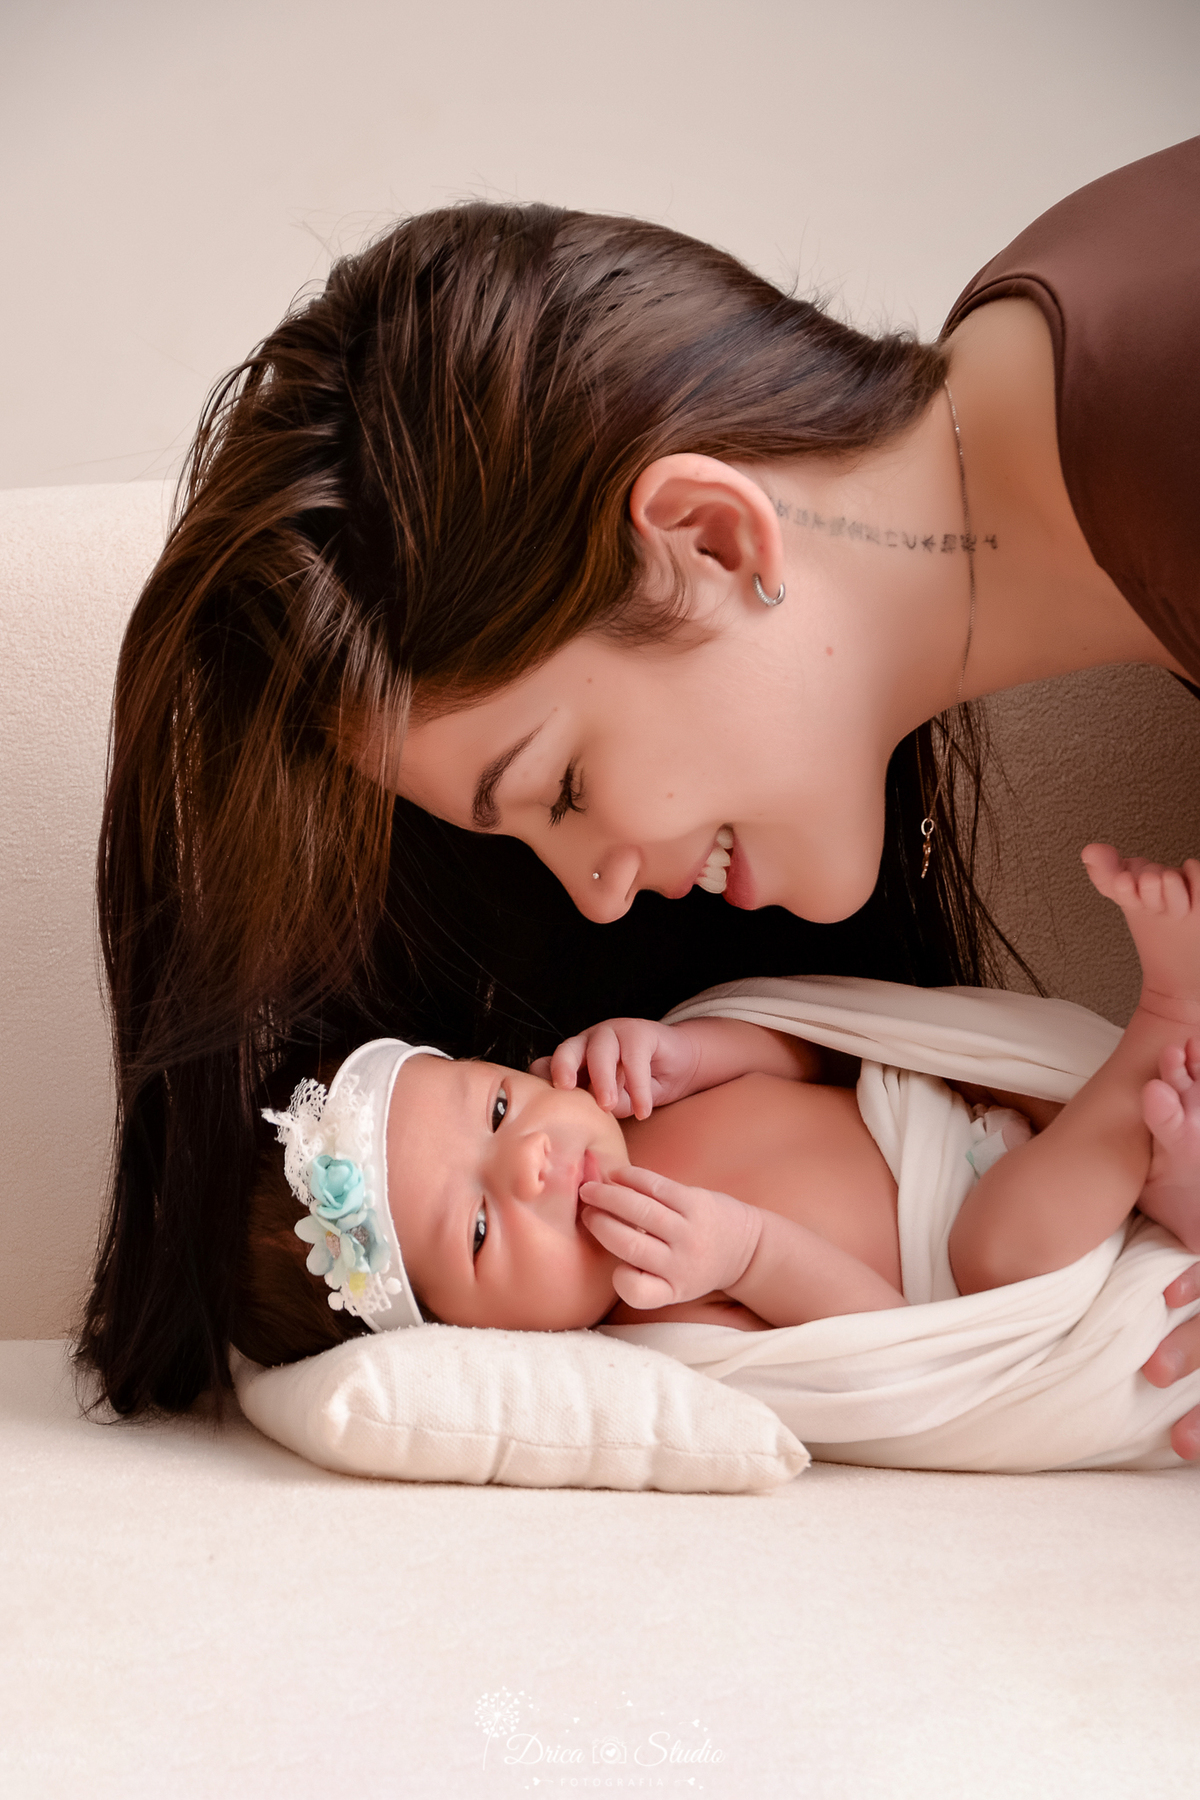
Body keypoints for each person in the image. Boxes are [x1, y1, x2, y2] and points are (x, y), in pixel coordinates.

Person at [82, 140, 1200, 1437]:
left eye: (557, 790)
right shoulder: (1083, 374)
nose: (605, 899)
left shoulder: (1158, 390)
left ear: (710, 540)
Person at [237, 847, 1200, 1369]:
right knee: (1001, 1244)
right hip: (991, 1275)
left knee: (1115, 1163)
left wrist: (699, 1047)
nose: (527, 1159)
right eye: (481, 1227)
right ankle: (1162, 1024)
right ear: (471, 1338)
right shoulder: (664, 1308)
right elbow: (878, 1347)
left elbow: (823, 1052)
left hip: (988, 1127)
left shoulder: (641, 1091)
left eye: (494, 1111)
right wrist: (749, 1255)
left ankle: (1164, 1153)